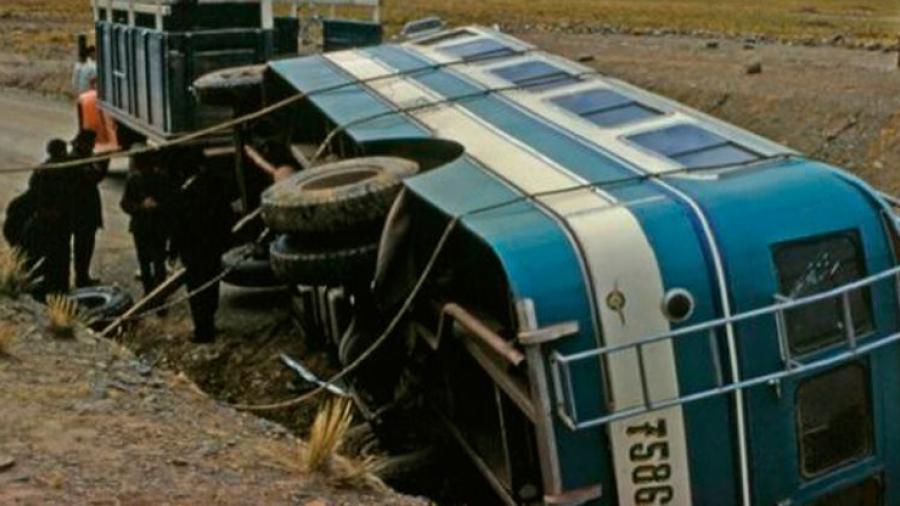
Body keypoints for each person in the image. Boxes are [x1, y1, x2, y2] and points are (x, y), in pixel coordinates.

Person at [169, 150, 235, 343]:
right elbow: (226, 216)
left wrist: (173, 251)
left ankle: (203, 330)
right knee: (212, 286)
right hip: (213, 247)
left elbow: (178, 226)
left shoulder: (184, 194)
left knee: (197, 292)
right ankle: (209, 324)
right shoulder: (216, 186)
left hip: (194, 250)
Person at [120, 152, 174, 307]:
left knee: (154, 261)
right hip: (146, 225)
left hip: (149, 225)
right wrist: (142, 207)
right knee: (152, 261)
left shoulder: (153, 179)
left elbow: (125, 203)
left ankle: (154, 292)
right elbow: (125, 203)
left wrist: (152, 207)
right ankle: (154, 292)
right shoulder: (137, 180)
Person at [28, 139, 74, 298]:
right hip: (54, 221)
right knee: (58, 257)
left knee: (51, 257)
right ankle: (58, 289)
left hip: (51, 220)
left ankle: (53, 288)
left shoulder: (43, 170)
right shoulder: (57, 170)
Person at [69, 129, 107, 287]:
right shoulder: (76, 160)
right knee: (83, 248)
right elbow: (93, 177)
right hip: (81, 213)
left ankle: (82, 276)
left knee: (84, 248)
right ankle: (81, 278)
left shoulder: (82, 158)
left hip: (84, 212)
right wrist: (104, 163)